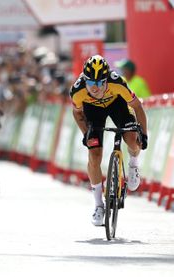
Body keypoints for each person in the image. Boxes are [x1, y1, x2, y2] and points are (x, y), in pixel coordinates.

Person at [69, 55, 148, 226]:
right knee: (94, 155)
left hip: (117, 104)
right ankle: (98, 205)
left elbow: (137, 106)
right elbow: (77, 113)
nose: (95, 88)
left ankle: (133, 164)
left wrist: (144, 133)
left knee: (132, 138)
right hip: (93, 110)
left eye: (99, 83)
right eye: (91, 83)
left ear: (106, 78)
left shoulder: (117, 82)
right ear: (85, 80)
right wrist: (86, 133)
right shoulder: (78, 90)